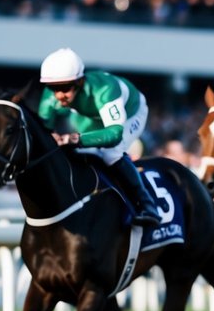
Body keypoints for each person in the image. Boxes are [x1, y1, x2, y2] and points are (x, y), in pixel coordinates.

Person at [36, 47, 160, 227]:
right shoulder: (52, 96)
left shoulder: (104, 90)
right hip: (92, 117)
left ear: (79, 82)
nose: (59, 95)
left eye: (65, 88)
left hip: (131, 112)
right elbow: (42, 132)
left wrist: (74, 139)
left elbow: (114, 134)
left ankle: (147, 205)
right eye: (53, 88)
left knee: (111, 154)